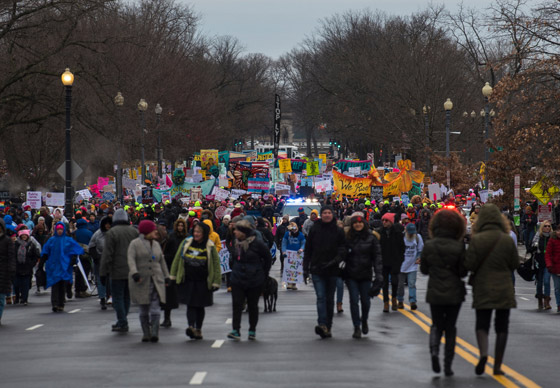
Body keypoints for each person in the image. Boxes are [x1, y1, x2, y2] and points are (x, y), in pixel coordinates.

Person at [465, 204, 519, 376]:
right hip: (504, 286)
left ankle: (483, 353)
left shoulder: (477, 239)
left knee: (482, 322)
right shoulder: (507, 239)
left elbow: (470, 264)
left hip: (482, 286)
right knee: (502, 326)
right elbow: (514, 264)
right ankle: (497, 365)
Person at [420, 209, 467, 376]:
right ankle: (448, 364)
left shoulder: (429, 245)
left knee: (436, 325)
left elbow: (424, 270)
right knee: (451, 327)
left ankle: (434, 351)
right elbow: (463, 272)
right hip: (454, 292)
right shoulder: (459, 246)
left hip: (435, 291)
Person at [170, 222, 221, 340]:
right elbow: (177, 259)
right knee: (190, 305)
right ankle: (191, 326)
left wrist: (216, 281)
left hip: (203, 281)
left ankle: (198, 329)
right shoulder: (186, 243)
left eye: (199, 232)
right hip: (188, 280)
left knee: (200, 306)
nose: (196, 234)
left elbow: (215, 264)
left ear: (204, 234)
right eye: (195, 231)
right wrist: (173, 276)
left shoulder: (209, 245)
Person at [303, 205, 346, 339]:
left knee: (329, 298)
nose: (327, 215)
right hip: (317, 269)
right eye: (325, 213)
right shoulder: (315, 229)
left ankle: (328, 325)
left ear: (332, 214)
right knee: (321, 297)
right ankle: (322, 324)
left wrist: (336, 260)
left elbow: (343, 249)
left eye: (329, 212)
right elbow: (308, 249)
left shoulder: (338, 231)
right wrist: (305, 269)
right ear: (322, 215)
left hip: (332, 270)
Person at [227, 218, 272, 341]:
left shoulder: (257, 244)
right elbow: (233, 258)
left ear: (243, 232)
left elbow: (267, 258)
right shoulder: (236, 243)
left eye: (237, 230)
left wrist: (263, 274)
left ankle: (252, 329)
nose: (234, 232)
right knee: (237, 305)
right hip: (237, 278)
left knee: (253, 306)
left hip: (254, 279)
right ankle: (235, 330)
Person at [128, 220, 170, 342]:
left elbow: (161, 261)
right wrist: (134, 273)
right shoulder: (135, 244)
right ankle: (146, 332)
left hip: (156, 279)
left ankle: (154, 332)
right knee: (143, 308)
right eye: (153, 230)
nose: (155, 231)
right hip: (141, 280)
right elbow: (131, 259)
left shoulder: (156, 244)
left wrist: (166, 276)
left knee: (155, 306)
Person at [343, 212, 383, 339]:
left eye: (360, 222)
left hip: (365, 275)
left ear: (363, 224)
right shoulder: (347, 238)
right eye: (355, 223)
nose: (358, 224)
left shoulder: (371, 238)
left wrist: (379, 275)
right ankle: (356, 326)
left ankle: (364, 319)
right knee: (354, 300)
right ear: (352, 224)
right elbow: (342, 254)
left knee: (365, 301)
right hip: (351, 275)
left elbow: (377, 258)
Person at [100, 208, 139, 332]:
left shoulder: (112, 232)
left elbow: (107, 254)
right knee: (127, 296)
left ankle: (122, 321)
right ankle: (123, 319)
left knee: (117, 297)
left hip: (116, 271)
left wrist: (103, 272)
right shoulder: (134, 232)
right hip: (131, 270)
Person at [40, 222, 84, 312]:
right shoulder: (51, 240)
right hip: (54, 266)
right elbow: (45, 251)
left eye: (61, 229)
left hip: (65, 266)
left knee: (62, 286)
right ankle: (55, 303)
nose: (59, 231)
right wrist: (42, 263)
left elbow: (76, 250)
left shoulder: (68, 240)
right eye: (58, 229)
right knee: (55, 285)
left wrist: (73, 259)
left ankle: (61, 303)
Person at [161, 218, 187, 327]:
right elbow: (167, 252)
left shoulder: (186, 238)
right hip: (171, 266)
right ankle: (167, 318)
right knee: (169, 293)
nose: (180, 228)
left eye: (182, 226)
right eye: (179, 226)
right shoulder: (171, 238)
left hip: (183, 265)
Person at [378, 213, 405, 312]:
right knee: (384, 283)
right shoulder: (380, 232)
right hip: (384, 261)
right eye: (383, 220)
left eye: (386, 220)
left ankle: (394, 298)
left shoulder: (397, 233)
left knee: (394, 282)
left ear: (391, 222)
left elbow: (402, 247)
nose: (384, 222)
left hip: (394, 261)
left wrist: (400, 259)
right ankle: (386, 302)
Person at [397, 223, 423, 310]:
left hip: (412, 265)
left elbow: (420, 250)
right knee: (400, 285)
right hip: (401, 265)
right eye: (410, 233)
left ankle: (412, 301)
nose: (411, 234)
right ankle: (400, 301)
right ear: (406, 231)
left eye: (413, 233)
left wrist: (419, 257)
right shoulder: (401, 237)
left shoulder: (417, 237)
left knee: (412, 284)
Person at [89, 216, 112, 310]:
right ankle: (102, 298)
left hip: (111, 261)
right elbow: (91, 247)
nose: (107, 226)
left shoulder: (114, 234)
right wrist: (97, 258)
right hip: (99, 261)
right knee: (100, 280)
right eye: (106, 224)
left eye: (109, 224)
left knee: (111, 280)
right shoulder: (97, 234)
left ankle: (111, 297)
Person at [13, 230, 40, 305]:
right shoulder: (16, 244)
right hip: (17, 267)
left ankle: (24, 299)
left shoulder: (31, 245)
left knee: (26, 284)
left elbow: (36, 255)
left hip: (27, 267)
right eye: (22, 235)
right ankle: (17, 297)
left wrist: (31, 264)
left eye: (25, 235)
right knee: (16, 284)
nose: (24, 236)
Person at [531, 221, 552, 310]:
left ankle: (547, 301)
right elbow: (531, 245)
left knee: (547, 281)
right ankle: (540, 299)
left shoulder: (552, 237)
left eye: (549, 226)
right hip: (539, 262)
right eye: (545, 226)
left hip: (548, 262)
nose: (547, 228)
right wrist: (534, 246)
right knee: (539, 282)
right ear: (542, 227)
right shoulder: (538, 236)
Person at [0, 219, 16, 324]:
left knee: (1, 298)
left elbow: (11, 256)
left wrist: (11, 269)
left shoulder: (7, 240)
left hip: (3, 271)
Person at [281, 222, 305, 290]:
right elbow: (284, 243)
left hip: (297, 254)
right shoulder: (287, 234)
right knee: (288, 268)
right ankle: (289, 283)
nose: (292, 231)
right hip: (289, 254)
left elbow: (303, 243)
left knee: (296, 268)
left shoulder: (300, 235)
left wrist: (301, 249)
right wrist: (284, 251)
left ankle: (294, 283)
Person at [545, 225, 560, 313]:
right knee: (557, 287)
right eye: (558, 230)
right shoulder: (552, 241)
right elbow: (548, 254)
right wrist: (549, 265)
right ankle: (559, 304)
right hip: (555, 268)